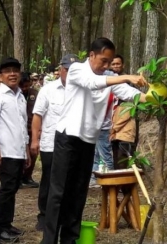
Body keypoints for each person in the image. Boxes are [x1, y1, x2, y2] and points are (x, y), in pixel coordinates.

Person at [42, 37, 147, 244]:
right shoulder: (77, 70)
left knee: (79, 193)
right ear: (91, 55)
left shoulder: (109, 77)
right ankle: (49, 240)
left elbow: (130, 94)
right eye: (103, 60)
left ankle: (69, 240)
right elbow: (93, 83)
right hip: (67, 138)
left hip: (88, 142)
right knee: (58, 193)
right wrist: (126, 76)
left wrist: (155, 97)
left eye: (110, 62)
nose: (106, 66)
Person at [30, 54, 78, 231]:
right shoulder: (48, 90)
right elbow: (37, 116)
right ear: (60, 70)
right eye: (66, 70)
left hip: (72, 144)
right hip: (50, 143)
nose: (70, 74)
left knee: (68, 182)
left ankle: (64, 216)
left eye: (74, 71)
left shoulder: (80, 91)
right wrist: (35, 140)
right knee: (49, 181)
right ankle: (44, 216)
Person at [0, 57, 30, 242]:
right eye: (7, 71)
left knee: (13, 188)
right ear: (0, 75)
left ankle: (7, 224)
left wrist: (27, 150)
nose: (12, 74)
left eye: (15, 70)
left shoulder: (20, 95)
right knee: (6, 189)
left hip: (18, 150)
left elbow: (23, 125)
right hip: (5, 150)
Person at [19, 72, 39, 188]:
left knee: (33, 153)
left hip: (32, 129)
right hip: (20, 129)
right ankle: (18, 177)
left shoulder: (35, 94)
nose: (25, 88)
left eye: (27, 86)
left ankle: (28, 176)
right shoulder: (15, 94)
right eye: (23, 86)